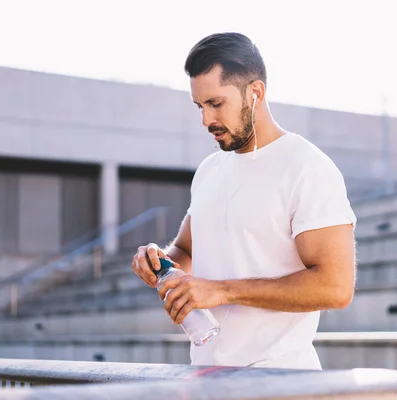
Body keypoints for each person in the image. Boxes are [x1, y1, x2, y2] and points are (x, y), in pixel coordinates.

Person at [132, 32, 357, 370]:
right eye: (200, 106)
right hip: (207, 379)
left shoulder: (306, 167)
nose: (206, 120)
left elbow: (336, 287)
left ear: (255, 93)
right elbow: (187, 252)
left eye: (216, 104)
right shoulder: (210, 169)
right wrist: (158, 262)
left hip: (281, 383)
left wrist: (224, 291)